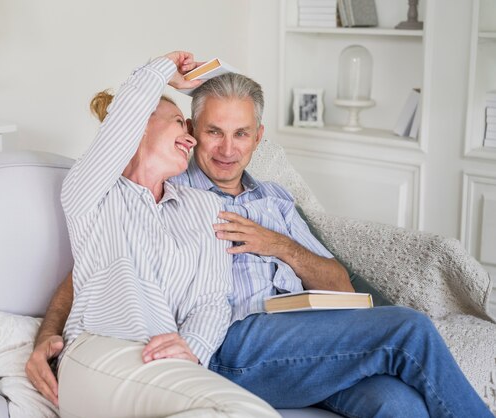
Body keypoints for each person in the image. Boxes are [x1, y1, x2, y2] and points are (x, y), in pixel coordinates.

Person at [28, 68, 494, 417]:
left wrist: (278, 244)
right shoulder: (174, 189)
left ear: (258, 138)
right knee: (409, 329)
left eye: (240, 134)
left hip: (309, 338)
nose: (226, 149)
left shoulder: (274, 199)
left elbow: (341, 285)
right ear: (192, 131)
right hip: (238, 340)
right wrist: (49, 330)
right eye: (211, 132)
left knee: (397, 405)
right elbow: (94, 264)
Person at [47, 51, 278, 418]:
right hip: (97, 352)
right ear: (138, 125)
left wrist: (192, 349)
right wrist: (165, 71)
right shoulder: (93, 194)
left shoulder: (203, 208)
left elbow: (212, 300)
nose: (191, 138)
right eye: (177, 123)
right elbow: (122, 121)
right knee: (242, 411)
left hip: (167, 363)